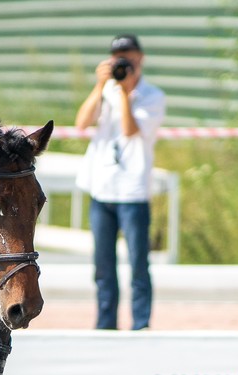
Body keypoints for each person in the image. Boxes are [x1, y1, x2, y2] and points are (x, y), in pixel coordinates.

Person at [75, 34, 166, 330]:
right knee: (103, 266)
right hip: (102, 187)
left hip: (133, 190)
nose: (124, 62)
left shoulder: (153, 95)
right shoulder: (107, 91)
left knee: (139, 263)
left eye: (129, 56)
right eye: (118, 57)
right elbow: (82, 123)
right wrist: (100, 86)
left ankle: (141, 324)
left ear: (141, 58)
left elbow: (129, 130)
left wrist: (126, 93)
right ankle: (105, 325)